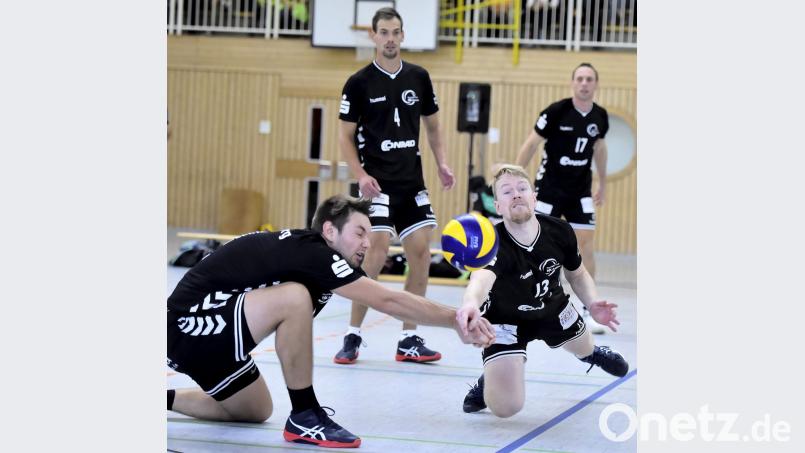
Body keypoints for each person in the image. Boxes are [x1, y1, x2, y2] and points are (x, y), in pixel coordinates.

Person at [167, 195, 495, 448]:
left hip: (210, 341)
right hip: (190, 324)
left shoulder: (310, 256)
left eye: (370, 234)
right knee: (295, 297)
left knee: (255, 410)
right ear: (329, 230)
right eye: (359, 232)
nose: (367, 243)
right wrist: (455, 320)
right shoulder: (316, 253)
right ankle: (305, 414)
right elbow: (388, 300)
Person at [335, 7, 456, 365]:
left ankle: (409, 337)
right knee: (377, 252)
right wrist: (359, 174)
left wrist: (443, 163)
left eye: (395, 32)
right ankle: (353, 335)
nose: (390, 39)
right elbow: (345, 135)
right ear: (373, 36)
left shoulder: (419, 77)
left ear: (403, 36)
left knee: (420, 253)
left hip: (411, 183)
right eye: (383, 32)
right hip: (377, 184)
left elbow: (433, 127)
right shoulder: (358, 83)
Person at [457, 165, 628, 417]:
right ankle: (491, 376)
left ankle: (591, 354)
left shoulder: (560, 231)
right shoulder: (491, 241)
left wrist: (592, 303)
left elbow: (577, 273)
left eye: (522, 188)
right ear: (497, 206)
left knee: (583, 347)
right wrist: (471, 303)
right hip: (506, 319)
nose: (516, 194)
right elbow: (481, 279)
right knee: (506, 408)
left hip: (553, 308)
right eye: (506, 192)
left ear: (534, 197)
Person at [515, 62, 609, 334]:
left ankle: (586, 309)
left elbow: (600, 148)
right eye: (579, 78)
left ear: (595, 84)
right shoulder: (556, 112)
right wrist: (517, 180)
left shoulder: (600, 116)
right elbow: (531, 144)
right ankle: (531, 303)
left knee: (585, 245)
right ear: (572, 83)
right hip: (550, 188)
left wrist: (601, 182)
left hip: (579, 190)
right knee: (537, 243)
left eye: (589, 79)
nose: (584, 83)